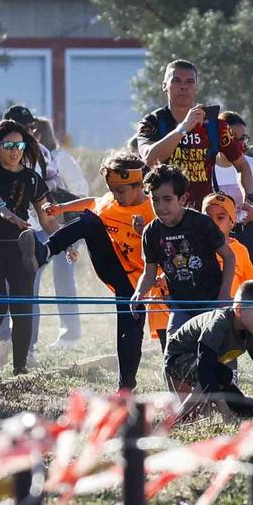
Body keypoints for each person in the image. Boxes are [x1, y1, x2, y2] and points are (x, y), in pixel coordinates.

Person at [38, 152, 151, 389]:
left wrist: (144, 232)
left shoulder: (152, 209)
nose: (116, 197)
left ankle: (126, 386)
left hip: (142, 281)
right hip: (113, 267)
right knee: (90, 220)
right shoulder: (111, 201)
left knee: (129, 332)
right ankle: (44, 252)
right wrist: (60, 209)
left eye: (120, 191)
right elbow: (92, 202)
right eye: (112, 190)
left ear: (139, 185)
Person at [0, 118, 63, 375]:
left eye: (19, 145)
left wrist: (64, 242)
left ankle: (20, 365)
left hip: (20, 247)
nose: (15, 150)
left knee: (23, 305)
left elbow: (46, 218)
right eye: (8, 144)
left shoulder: (32, 178)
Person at [164, 280, 253, 422]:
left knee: (247, 409)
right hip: (177, 358)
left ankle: (203, 410)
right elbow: (205, 368)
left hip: (208, 366)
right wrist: (225, 411)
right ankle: (179, 417)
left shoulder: (251, 330)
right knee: (216, 376)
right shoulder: (219, 324)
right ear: (239, 309)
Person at [133, 163, 232, 337]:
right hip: (180, 305)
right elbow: (149, 273)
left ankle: (229, 367)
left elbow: (229, 258)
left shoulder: (201, 223)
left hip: (211, 300)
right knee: (174, 352)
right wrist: (139, 293)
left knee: (218, 350)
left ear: (183, 199)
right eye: (155, 199)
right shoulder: (151, 233)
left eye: (167, 199)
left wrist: (224, 295)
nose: (161, 206)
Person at [27, 112, 86, 347]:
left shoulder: (60, 158)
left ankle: (70, 332)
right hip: (43, 225)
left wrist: (64, 210)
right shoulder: (31, 159)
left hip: (67, 223)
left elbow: (80, 189)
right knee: (34, 276)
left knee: (64, 277)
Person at [135, 59, 220, 206]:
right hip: (163, 212)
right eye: (177, 81)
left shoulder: (212, 123)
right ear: (164, 86)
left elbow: (243, 165)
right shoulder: (151, 122)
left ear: (196, 88)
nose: (184, 87)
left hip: (203, 214)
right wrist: (183, 128)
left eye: (190, 82)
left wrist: (249, 199)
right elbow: (149, 159)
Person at [211, 110, 253, 277]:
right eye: (233, 138)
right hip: (214, 237)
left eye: (243, 138)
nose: (240, 144)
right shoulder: (205, 167)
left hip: (248, 234)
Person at [202, 193, 253, 286]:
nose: (213, 223)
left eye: (220, 218)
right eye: (208, 218)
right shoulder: (192, 247)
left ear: (232, 222)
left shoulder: (240, 250)